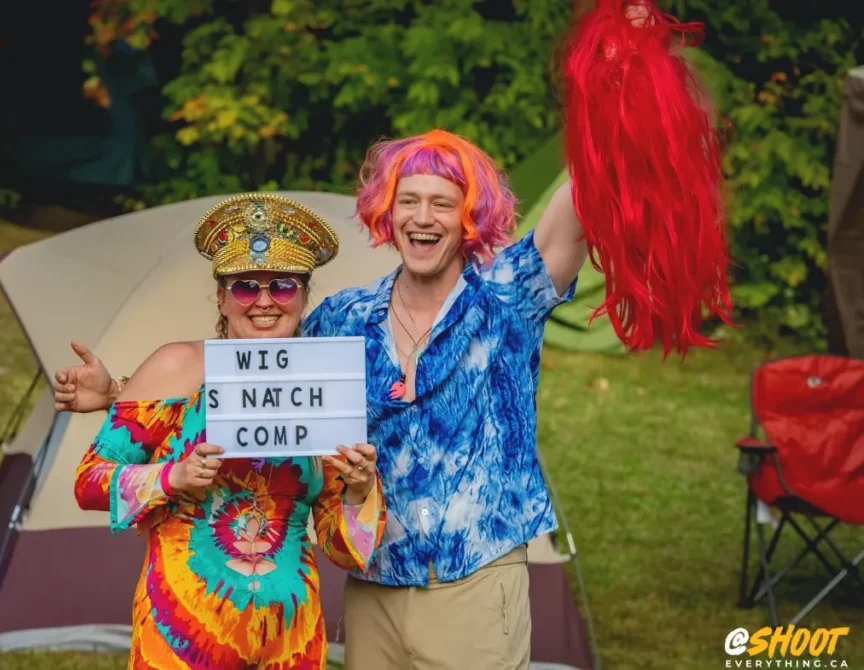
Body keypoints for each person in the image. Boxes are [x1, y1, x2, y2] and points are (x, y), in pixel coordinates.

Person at [55, 2, 732, 668]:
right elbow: (244, 378)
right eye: (408, 201)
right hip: (372, 587)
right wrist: (117, 391)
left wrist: (626, 81)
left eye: (443, 202)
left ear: (473, 219)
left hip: (473, 585)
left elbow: (590, 194)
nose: (424, 216)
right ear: (387, 214)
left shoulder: (508, 296)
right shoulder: (340, 321)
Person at [70, 193, 387, 670]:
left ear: (303, 295)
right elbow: (90, 481)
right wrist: (170, 478)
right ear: (221, 296)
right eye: (245, 287)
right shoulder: (175, 367)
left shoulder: (323, 384)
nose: (263, 301)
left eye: (281, 286)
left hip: (292, 638)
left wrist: (359, 488)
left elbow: (344, 550)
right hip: (183, 634)